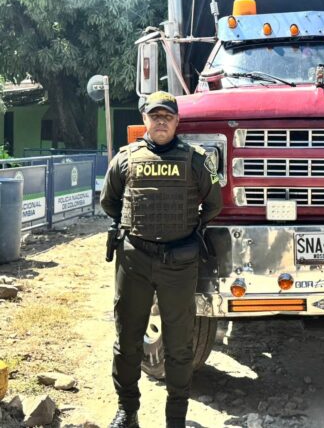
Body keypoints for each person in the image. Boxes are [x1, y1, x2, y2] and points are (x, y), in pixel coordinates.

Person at [101, 91, 223, 428]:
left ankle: (176, 418)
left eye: (167, 116)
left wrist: (186, 230)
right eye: (155, 116)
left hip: (179, 263)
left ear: (177, 121)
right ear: (145, 120)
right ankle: (128, 410)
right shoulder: (126, 158)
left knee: (179, 346)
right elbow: (109, 202)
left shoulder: (197, 160)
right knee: (127, 341)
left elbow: (214, 203)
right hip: (134, 260)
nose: (161, 122)